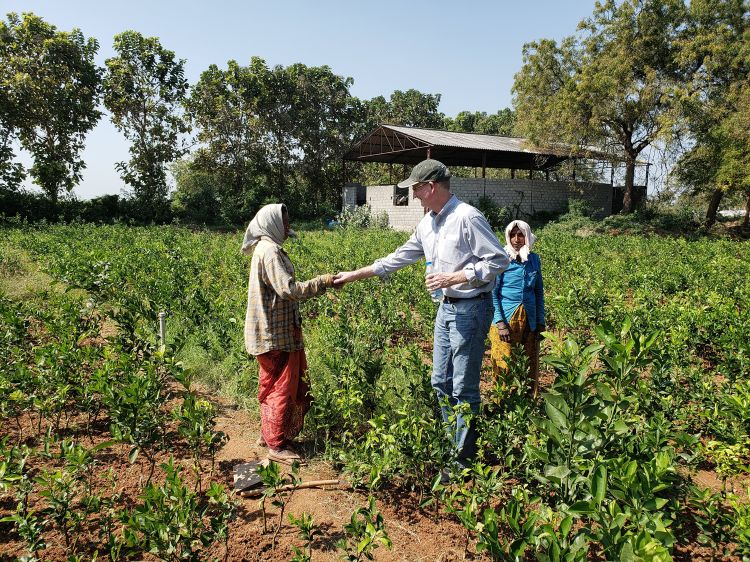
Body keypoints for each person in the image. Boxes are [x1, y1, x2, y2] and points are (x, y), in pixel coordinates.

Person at [333, 159, 508, 472]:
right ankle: (451, 443)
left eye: (415, 188)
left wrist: (453, 278)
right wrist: (353, 274)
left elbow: (498, 260)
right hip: (446, 308)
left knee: (463, 388)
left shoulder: (467, 217)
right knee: (440, 381)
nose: (412, 195)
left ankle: (461, 463)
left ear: (431, 186)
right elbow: (398, 258)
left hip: (471, 307)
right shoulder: (428, 224)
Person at [242, 203, 335, 463]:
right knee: (281, 388)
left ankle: (271, 433)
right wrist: (323, 282)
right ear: (271, 223)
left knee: (272, 384)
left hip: (274, 332)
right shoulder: (270, 251)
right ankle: (277, 445)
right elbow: (289, 290)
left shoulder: (266, 248)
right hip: (275, 334)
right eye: (284, 222)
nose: (287, 226)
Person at [489, 220, 546, 397]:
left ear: (527, 236)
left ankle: (527, 402)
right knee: (504, 361)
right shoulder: (501, 259)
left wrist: (540, 321)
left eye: (520, 234)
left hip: (529, 318)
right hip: (506, 318)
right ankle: (501, 403)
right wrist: (500, 323)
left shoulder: (533, 259)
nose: (516, 239)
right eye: (512, 235)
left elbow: (538, 292)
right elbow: (493, 292)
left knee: (530, 361)